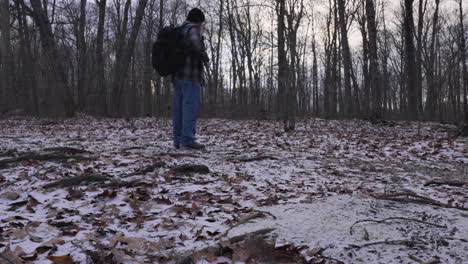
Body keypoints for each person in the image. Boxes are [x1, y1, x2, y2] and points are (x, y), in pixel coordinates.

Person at [172, 8, 208, 150]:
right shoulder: (192, 29)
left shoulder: (179, 30)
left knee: (178, 110)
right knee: (190, 108)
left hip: (177, 77)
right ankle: (187, 140)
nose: (201, 26)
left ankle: (178, 140)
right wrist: (203, 54)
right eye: (201, 23)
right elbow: (196, 46)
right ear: (198, 21)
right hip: (190, 76)